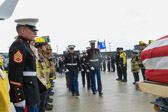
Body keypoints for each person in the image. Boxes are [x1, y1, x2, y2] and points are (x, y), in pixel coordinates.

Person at [8, 18, 47, 112]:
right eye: (32, 30)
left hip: (32, 92)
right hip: (26, 94)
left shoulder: (26, 45)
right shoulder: (18, 45)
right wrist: (19, 97)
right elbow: (14, 74)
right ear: (23, 30)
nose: (35, 33)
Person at [33, 38, 53, 111]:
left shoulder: (42, 55)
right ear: (40, 47)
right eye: (44, 46)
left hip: (44, 81)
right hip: (40, 83)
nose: (46, 47)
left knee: (43, 103)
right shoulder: (37, 56)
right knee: (41, 104)